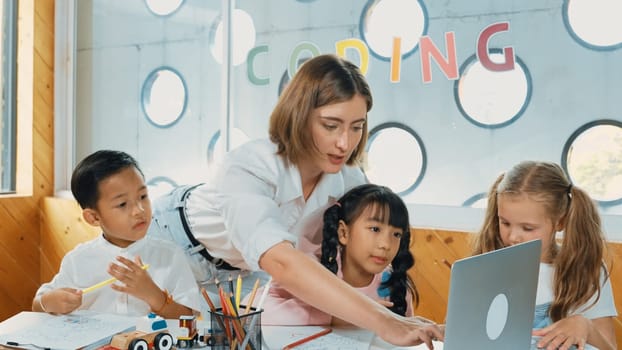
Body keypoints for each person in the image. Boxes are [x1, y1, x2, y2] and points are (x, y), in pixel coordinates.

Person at [148, 54, 443, 347]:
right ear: (299, 117)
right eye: (331, 125)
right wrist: (384, 322)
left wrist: (397, 315)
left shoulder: (349, 179)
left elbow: (370, 238)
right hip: (175, 241)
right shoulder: (248, 165)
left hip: (244, 272)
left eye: (357, 126)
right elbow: (282, 262)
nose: (345, 142)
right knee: (156, 337)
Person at [32, 150, 201, 319]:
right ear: (94, 217)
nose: (139, 210)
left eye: (143, 196)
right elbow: (37, 305)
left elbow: (187, 317)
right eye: (122, 204)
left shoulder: (169, 255)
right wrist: (50, 302)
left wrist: (154, 296)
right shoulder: (78, 259)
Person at [472, 161, 617, 350]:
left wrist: (586, 326)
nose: (513, 236)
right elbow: (467, 333)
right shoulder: (487, 264)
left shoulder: (587, 270)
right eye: (505, 223)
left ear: (560, 222)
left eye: (528, 228)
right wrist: (441, 331)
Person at [255, 183, 418, 325]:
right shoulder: (311, 271)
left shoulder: (395, 284)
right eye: (375, 229)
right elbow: (250, 309)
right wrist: (345, 317)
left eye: (396, 234)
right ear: (343, 233)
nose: (386, 245)